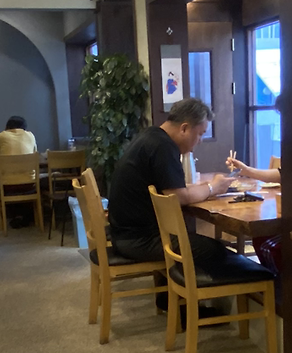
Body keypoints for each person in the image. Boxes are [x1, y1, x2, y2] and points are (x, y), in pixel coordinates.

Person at [107, 97, 268, 288]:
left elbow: (173, 189)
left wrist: (209, 187)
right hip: (138, 240)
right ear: (184, 128)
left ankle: (176, 299)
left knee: (204, 245)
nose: (200, 141)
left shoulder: (151, 136)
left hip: (124, 234)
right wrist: (212, 188)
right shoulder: (163, 147)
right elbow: (178, 197)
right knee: (215, 250)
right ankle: (205, 303)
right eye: (200, 134)